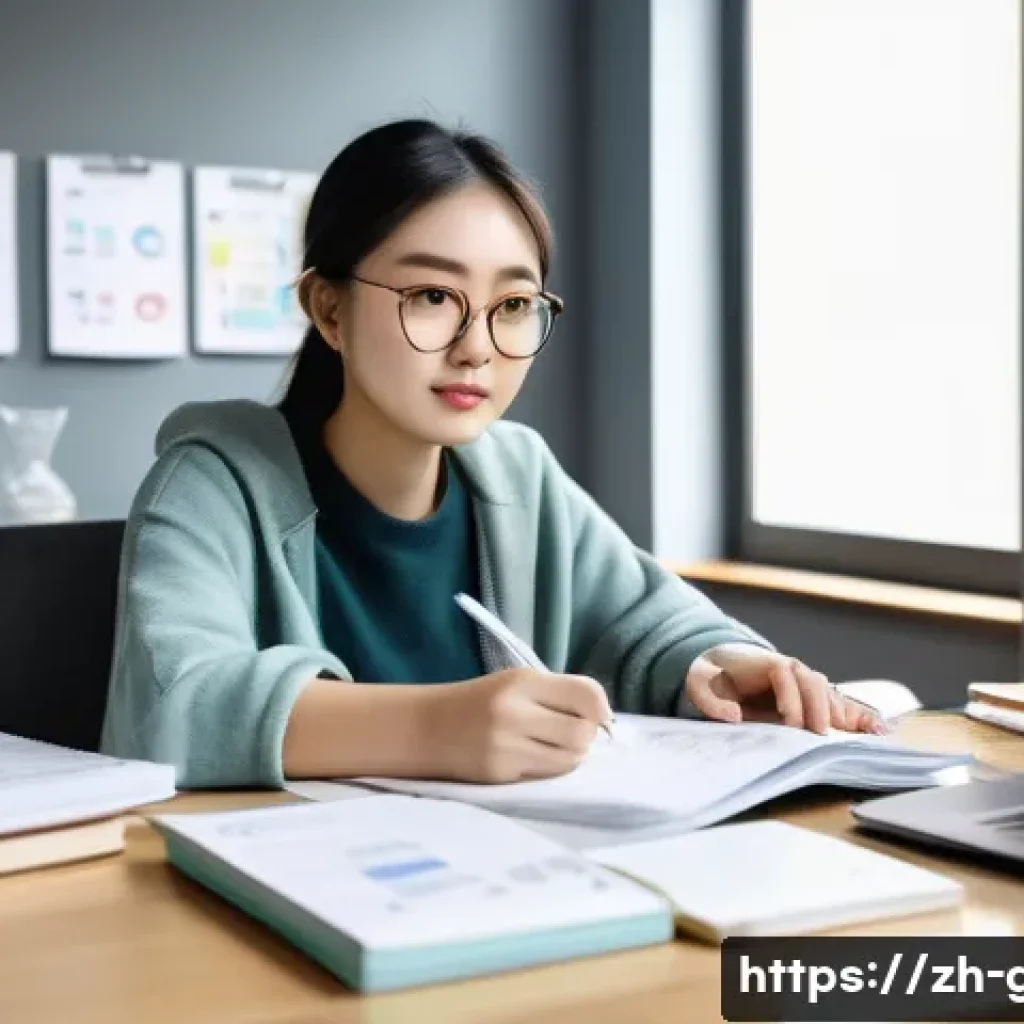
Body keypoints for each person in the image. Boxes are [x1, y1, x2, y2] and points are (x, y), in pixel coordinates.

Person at [100, 119, 882, 789]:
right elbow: (176, 702)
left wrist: (717, 669)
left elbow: (650, 621)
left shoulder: (518, 475)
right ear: (328, 308)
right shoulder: (210, 480)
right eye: (433, 297)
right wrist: (434, 728)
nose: (477, 348)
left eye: (512, 306)